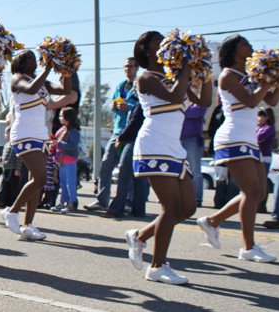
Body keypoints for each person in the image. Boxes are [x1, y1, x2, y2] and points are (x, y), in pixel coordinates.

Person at [124, 31, 210, 284]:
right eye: (157, 42)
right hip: (154, 145)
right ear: (147, 50)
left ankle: (140, 236)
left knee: (188, 207)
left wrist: (202, 69)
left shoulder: (174, 77)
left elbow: (204, 100)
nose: (163, 44)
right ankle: (157, 266)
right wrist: (185, 66)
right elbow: (174, 96)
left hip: (174, 147)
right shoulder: (146, 77)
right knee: (170, 207)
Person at [196, 35, 279, 262]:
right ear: (233, 50)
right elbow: (251, 101)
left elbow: (270, 101)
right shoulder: (227, 75)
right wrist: (267, 79)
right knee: (251, 192)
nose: (250, 46)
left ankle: (212, 221)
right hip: (232, 137)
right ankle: (248, 247)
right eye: (244, 43)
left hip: (249, 138)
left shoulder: (250, 75)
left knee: (259, 193)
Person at [1, 50, 71, 240]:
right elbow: (31, 89)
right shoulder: (16, 79)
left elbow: (65, 90)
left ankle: (28, 226)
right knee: (40, 178)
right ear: (21, 63)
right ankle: (12, 211)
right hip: (24, 133)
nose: (36, 61)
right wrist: (48, 68)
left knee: (38, 180)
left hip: (41, 134)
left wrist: (67, 69)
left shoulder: (43, 83)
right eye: (31, 58)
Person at [85, 58, 139, 211]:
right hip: (117, 130)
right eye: (125, 66)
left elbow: (142, 106)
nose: (127, 69)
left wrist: (129, 107)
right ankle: (101, 200)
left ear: (137, 67)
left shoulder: (141, 84)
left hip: (131, 131)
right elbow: (115, 106)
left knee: (126, 169)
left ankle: (128, 202)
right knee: (105, 165)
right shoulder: (120, 85)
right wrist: (114, 106)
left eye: (130, 66)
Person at [52, 107, 80, 212]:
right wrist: (53, 147)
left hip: (70, 160)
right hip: (61, 160)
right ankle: (62, 202)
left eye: (61, 116)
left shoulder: (74, 132)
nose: (59, 118)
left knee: (70, 183)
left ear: (67, 118)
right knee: (63, 182)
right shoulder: (61, 130)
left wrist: (58, 144)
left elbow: (72, 146)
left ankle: (71, 203)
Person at [180, 102, 208, 207]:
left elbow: (195, 113)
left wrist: (180, 109)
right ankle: (177, 196)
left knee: (195, 170)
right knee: (174, 169)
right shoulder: (180, 99)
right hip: (176, 137)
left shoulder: (200, 101)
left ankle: (196, 198)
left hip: (193, 139)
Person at [256, 107, 275, 212]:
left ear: (267, 117)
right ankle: (258, 203)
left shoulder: (269, 127)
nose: (258, 118)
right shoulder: (258, 127)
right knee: (257, 180)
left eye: (260, 116)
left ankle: (262, 205)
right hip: (256, 156)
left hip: (265, 157)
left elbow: (259, 138)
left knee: (262, 180)